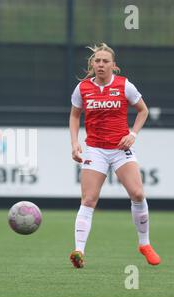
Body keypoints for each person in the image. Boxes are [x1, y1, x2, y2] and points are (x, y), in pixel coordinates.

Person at [68, 43, 161, 268]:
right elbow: (74, 116)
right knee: (89, 199)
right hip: (95, 149)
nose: (100, 64)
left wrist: (133, 134)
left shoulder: (124, 85)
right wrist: (74, 143)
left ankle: (144, 243)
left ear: (113, 66)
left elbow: (143, 110)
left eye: (105, 61)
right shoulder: (82, 88)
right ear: (92, 64)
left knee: (138, 193)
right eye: (97, 61)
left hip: (120, 149)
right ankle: (79, 251)